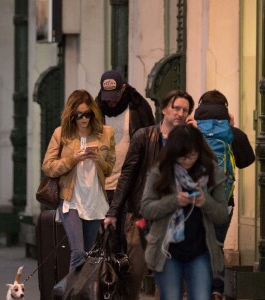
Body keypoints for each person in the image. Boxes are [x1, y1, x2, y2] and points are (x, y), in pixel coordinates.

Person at [104, 89, 195, 300]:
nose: (180, 113)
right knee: (134, 273)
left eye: (185, 110)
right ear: (164, 109)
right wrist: (113, 212)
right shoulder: (144, 136)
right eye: (176, 108)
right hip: (141, 217)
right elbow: (127, 175)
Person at [141, 124, 229, 300]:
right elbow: (146, 208)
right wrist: (174, 201)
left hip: (200, 251)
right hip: (166, 252)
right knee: (171, 296)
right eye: (182, 157)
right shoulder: (160, 172)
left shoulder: (212, 172)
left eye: (192, 156)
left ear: (199, 151)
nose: (187, 161)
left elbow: (222, 216)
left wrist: (206, 202)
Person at [42, 89, 116, 271]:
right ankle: (71, 294)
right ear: (71, 115)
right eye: (79, 115)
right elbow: (48, 166)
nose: (84, 119)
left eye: (87, 114)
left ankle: (81, 292)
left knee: (88, 255)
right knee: (78, 252)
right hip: (71, 199)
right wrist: (72, 159)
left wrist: (98, 158)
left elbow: (108, 170)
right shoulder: (61, 134)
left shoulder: (106, 133)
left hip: (94, 200)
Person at [194, 89, 255, 300]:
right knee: (217, 245)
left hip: (194, 201)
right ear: (226, 111)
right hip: (224, 200)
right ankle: (217, 290)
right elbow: (247, 161)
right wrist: (231, 127)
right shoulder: (233, 134)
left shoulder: (191, 132)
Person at [96, 70, 155, 252]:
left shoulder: (138, 107)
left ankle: (130, 276)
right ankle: (110, 278)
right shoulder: (96, 108)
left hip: (132, 184)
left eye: (114, 96)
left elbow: (150, 143)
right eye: (107, 97)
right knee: (108, 240)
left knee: (129, 237)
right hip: (104, 184)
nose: (111, 101)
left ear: (123, 88)